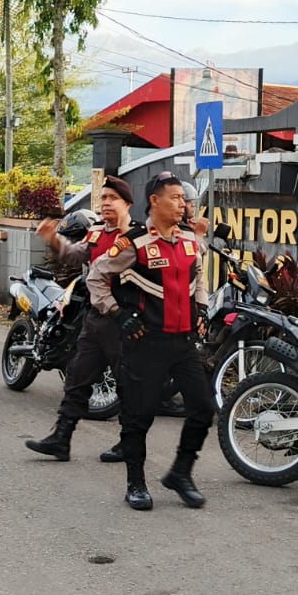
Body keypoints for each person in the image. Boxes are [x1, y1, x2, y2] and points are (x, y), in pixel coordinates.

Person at [86, 171, 213, 511]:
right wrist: (117, 313)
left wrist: (201, 307)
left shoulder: (189, 242)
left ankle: (181, 474)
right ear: (155, 201)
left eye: (184, 199)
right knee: (138, 416)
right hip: (146, 344)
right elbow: (96, 276)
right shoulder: (134, 242)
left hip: (183, 344)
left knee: (202, 409)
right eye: (175, 198)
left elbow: (198, 276)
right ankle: (136, 483)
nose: (183, 205)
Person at [23, 176, 140, 463]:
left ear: (127, 203)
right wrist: (53, 239)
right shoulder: (97, 234)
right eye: (103, 199)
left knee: (127, 384)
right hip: (94, 319)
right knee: (77, 378)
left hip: (123, 319)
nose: (106, 204)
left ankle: (130, 443)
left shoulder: (139, 237)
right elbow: (75, 256)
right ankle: (61, 438)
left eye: (112, 198)